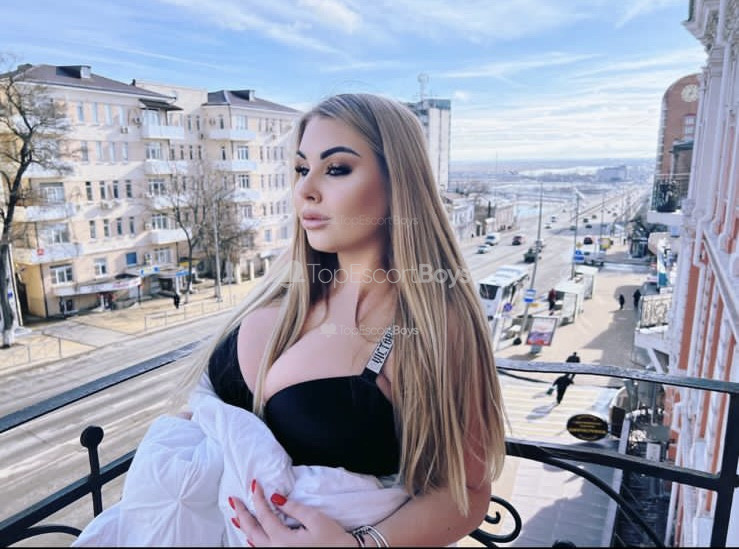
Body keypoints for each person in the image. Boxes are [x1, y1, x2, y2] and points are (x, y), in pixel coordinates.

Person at [76, 94, 507, 547]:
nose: (305, 190)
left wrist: (359, 547)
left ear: (399, 180)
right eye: (302, 169)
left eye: (336, 168)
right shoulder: (284, 285)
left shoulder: (430, 327)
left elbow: (466, 491)